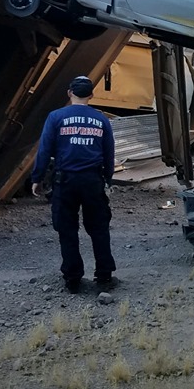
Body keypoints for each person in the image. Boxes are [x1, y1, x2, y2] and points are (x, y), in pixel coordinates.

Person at [31, 75, 117, 293]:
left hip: (65, 181)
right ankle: (104, 274)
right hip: (92, 181)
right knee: (99, 228)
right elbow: (109, 152)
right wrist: (108, 178)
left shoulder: (56, 117)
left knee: (67, 229)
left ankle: (72, 278)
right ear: (91, 94)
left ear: (69, 93)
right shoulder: (101, 119)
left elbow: (45, 150)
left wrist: (37, 178)